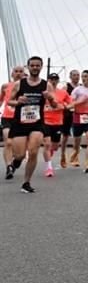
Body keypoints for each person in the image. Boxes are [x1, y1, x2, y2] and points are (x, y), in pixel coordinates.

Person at [7, 57, 53, 192]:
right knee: (20, 155)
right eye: (32, 65)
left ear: (41, 67)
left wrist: (49, 98)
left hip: (37, 123)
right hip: (20, 123)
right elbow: (9, 102)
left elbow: (55, 104)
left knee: (33, 152)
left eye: (37, 66)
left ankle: (26, 183)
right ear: (28, 67)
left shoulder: (46, 85)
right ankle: (16, 163)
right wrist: (18, 101)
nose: (35, 68)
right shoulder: (19, 84)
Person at [41, 73, 71, 178]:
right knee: (47, 144)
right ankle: (48, 167)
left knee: (55, 146)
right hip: (44, 121)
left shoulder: (63, 92)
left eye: (55, 79)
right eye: (51, 79)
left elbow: (71, 103)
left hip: (57, 122)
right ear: (48, 80)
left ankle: (50, 154)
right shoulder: (43, 92)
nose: (53, 81)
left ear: (58, 81)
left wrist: (63, 106)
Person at [2, 65, 25, 179]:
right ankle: (8, 167)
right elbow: (1, 100)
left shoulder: (28, 86)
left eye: (21, 71)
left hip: (21, 118)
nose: (18, 73)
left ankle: (16, 161)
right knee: (8, 142)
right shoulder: (5, 86)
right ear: (12, 74)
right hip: (7, 117)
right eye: (16, 71)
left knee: (20, 153)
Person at [61, 70, 81, 165]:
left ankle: (75, 157)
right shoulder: (66, 87)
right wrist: (68, 105)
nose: (76, 77)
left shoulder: (81, 87)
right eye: (74, 75)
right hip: (68, 113)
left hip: (78, 113)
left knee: (77, 136)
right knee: (65, 135)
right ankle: (63, 155)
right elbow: (61, 99)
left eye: (78, 75)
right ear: (70, 76)